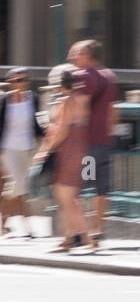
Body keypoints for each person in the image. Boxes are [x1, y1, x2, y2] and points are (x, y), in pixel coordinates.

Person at [66, 39, 120, 244]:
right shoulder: (110, 76)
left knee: (76, 188)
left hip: (86, 145)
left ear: (87, 55)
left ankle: (82, 232)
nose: (71, 58)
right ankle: (98, 230)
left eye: (76, 53)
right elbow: (114, 111)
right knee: (101, 189)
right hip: (104, 143)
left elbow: (79, 110)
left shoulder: (83, 76)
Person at [37, 65, 93, 253]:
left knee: (66, 197)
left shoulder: (68, 101)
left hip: (68, 151)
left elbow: (62, 131)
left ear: (59, 84)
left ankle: (86, 237)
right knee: (69, 197)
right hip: (81, 150)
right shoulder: (82, 99)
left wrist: (45, 151)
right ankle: (69, 238)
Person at [0, 67, 43, 238]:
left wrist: (46, 139)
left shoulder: (33, 99)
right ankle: (14, 225)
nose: (19, 84)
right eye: (15, 80)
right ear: (9, 82)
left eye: (22, 80)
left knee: (20, 189)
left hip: (27, 147)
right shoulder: (4, 101)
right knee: (16, 184)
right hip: (7, 148)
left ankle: (7, 226)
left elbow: (36, 124)